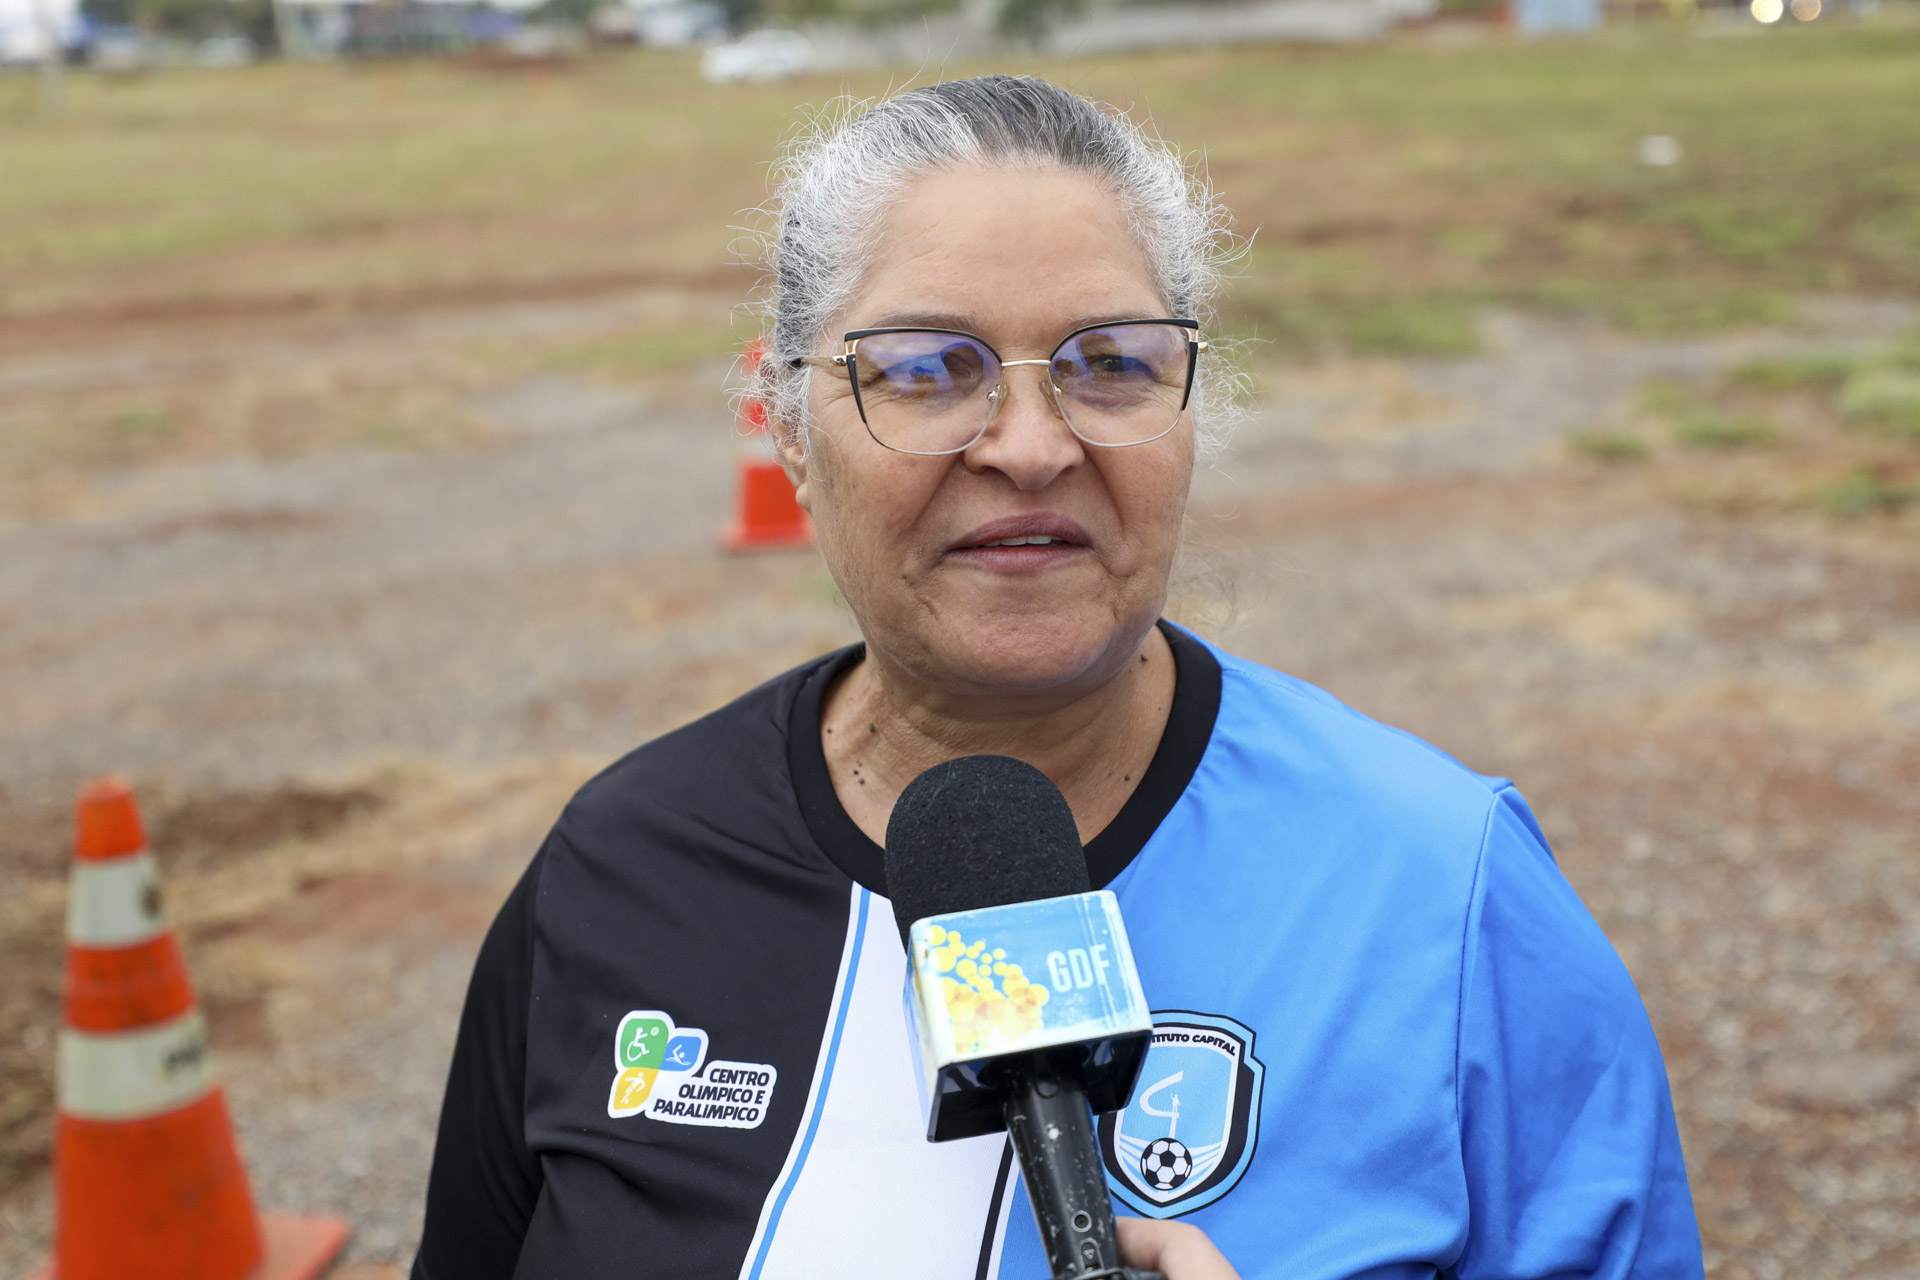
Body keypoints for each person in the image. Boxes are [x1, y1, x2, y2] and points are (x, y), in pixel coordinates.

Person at [412, 75, 1703, 1280]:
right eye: (926, 369)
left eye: (1109, 363)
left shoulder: (1444, 889)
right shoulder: (624, 866)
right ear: (789, 425)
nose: (1029, 448)